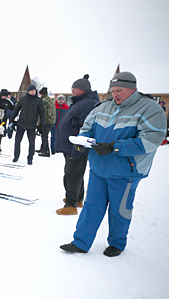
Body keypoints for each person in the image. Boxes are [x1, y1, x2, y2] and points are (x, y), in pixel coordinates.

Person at [60, 71, 167, 257]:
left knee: (119, 210)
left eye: (119, 90)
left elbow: (152, 139)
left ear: (132, 89)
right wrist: (82, 141)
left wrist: (115, 147)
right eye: (112, 90)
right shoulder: (103, 106)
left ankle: (117, 243)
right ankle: (80, 242)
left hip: (125, 171)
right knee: (91, 207)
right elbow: (87, 127)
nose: (115, 94)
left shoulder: (149, 109)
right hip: (99, 167)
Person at [56, 76, 99, 215]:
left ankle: (71, 204)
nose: (72, 90)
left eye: (75, 88)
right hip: (71, 145)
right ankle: (78, 199)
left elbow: (86, 127)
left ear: (83, 90)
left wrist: (79, 146)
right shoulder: (81, 102)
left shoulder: (87, 104)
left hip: (77, 146)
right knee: (75, 173)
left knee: (72, 175)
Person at [10, 84, 45, 165]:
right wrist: (12, 119)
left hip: (32, 125)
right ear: (28, 91)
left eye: (34, 90)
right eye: (31, 90)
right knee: (17, 141)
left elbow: (42, 113)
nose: (33, 92)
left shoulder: (39, 100)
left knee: (32, 142)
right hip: (21, 123)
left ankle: (30, 158)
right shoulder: (23, 99)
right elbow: (16, 109)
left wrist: (41, 125)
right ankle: (16, 156)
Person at [37, 87, 56, 157]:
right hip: (51, 121)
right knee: (44, 135)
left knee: (44, 135)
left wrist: (40, 123)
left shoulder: (43, 101)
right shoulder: (49, 99)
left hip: (47, 121)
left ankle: (46, 151)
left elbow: (42, 113)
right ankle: (42, 148)